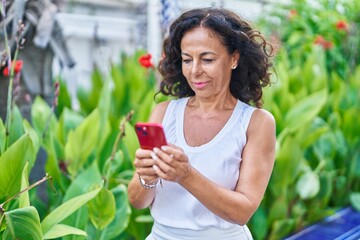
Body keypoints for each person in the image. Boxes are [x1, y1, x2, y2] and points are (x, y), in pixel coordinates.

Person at [127, 7, 276, 240]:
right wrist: (147, 177)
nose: (195, 71)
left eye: (207, 59)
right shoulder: (164, 113)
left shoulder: (256, 123)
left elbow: (242, 211)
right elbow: (137, 201)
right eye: (187, 60)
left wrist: (185, 175)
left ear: (234, 58)